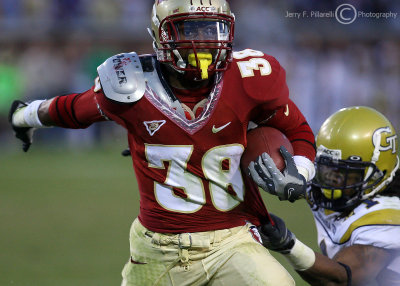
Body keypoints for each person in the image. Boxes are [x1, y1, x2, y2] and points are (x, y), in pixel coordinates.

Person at [8, 0, 316, 285]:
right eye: (189, 29)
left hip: (234, 239)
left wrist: (299, 174)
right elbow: (72, 110)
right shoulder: (129, 84)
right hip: (158, 249)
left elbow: (299, 130)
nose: (203, 41)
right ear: (160, 34)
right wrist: (25, 116)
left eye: (212, 29)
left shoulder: (250, 78)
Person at [250, 106, 400, 286]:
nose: (330, 180)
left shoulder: (389, 218)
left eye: (342, 173)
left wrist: (288, 244)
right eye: (326, 168)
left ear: (378, 174)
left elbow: (340, 279)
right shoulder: (344, 188)